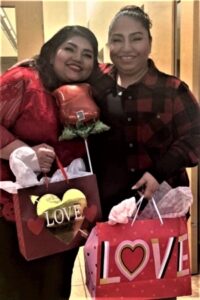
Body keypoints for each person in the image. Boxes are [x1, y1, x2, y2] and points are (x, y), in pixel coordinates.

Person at [88, 6, 200, 298]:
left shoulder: (173, 90)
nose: (126, 48)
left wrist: (159, 172)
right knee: (113, 289)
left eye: (135, 38)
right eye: (117, 39)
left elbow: (196, 137)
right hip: (109, 211)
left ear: (149, 42)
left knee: (160, 289)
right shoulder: (96, 88)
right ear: (108, 44)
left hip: (161, 208)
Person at [0, 25, 98, 300]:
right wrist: (23, 152)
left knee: (55, 288)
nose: (78, 57)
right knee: (17, 289)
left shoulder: (84, 92)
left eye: (87, 54)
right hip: (15, 213)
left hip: (65, 209)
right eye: (70, 48)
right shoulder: (23, 80)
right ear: (52, 51)